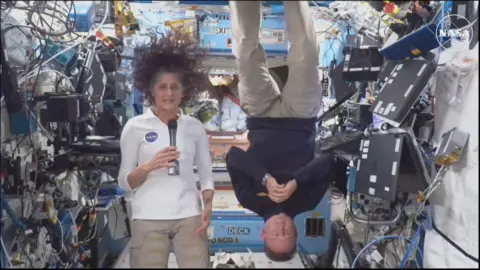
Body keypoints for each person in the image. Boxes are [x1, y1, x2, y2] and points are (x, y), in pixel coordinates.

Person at [226, 1, 346, 262]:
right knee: (304, 53)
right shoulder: (307, 202)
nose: (281, 230)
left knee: (246, 53)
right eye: (287, 235)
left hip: (260, 116)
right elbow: (330, 162)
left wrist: (265, 178)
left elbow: (234, 156)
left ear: (263, 235)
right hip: (301, 116)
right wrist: (296, 182)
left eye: (275, 236)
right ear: (295, 232)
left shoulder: (250, 200)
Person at [118, 33, 214, 268]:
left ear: (184, 91)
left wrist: (208, 206)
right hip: (147, 216)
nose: (169, 93)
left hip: (189, 215)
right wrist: (150, 166)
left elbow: (206, 174)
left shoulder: (194, 127)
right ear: (152, 90)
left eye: (174, 87)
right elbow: (124, 182)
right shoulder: (134, 127)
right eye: (162, 87)